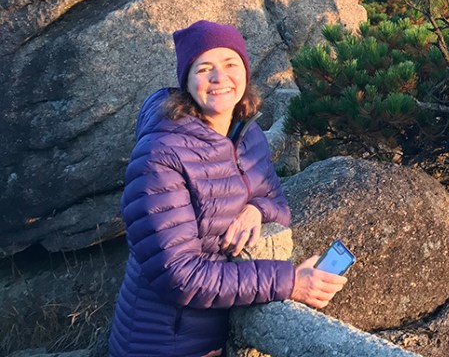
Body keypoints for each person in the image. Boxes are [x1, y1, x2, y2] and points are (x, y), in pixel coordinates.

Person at [108, 20, 348, 357]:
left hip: (215, 332)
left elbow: (277, 203)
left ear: (245, 72)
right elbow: (179, 275)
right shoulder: (161, 156)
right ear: (187, 82)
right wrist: (291, 282)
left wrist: (255, 209)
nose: (220, 78)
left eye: (230, 64)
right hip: (163, 341)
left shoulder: (246, 134)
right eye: (204, 68)